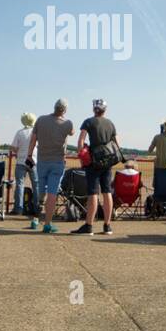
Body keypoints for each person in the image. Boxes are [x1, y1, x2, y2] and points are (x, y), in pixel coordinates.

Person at [73, 99, 120, 235]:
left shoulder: (88, 122)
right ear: (105, 110)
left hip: (93, 161)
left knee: (93, 192)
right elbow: (117, 144)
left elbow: (81, 140)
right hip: (107, 162)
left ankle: (89, 225)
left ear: (94, 109)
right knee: (107, 192)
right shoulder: (110, 124)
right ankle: (107, 225)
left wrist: (82, 157)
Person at [27, 99, 73, 234]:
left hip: (42, 160)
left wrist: (29, 155)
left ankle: (35, 217)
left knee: (41, 189)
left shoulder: (40, 120)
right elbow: (72, 132)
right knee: (52, 193)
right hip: (57, 161)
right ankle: (47, 223)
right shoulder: (67, 123)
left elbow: (33, 139)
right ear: (64, 110)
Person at [10, 112, 38, 216]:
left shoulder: (20, 132)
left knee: (20, 185)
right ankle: (37, 208)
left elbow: (13, 147)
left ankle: (19, 209)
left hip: (21, 161)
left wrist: (18, 152)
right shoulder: (36, 132)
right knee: (36, 185)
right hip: (33, 161)